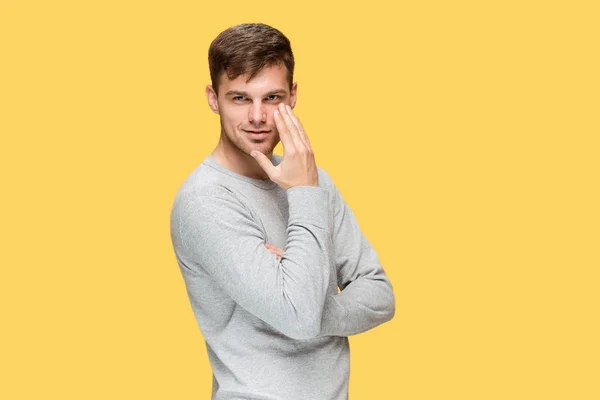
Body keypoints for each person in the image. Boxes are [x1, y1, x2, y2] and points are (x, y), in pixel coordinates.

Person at [169, 23, 395, 400]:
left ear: (292, 96)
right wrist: (305, 194)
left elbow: (380, 295)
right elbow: (297, 316)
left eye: (271, 97)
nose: (257, 117)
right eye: (240, 98)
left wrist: (302, 295)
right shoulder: (205, 201)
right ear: (213, 98)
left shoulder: (314, 180)